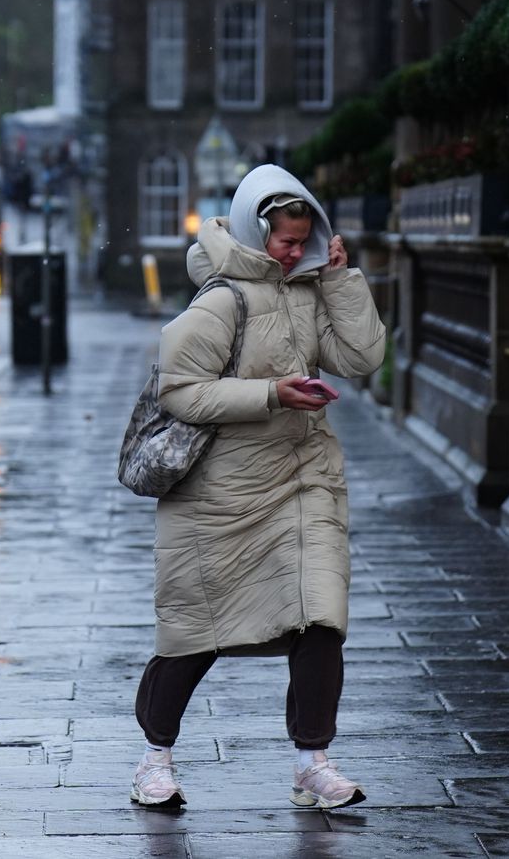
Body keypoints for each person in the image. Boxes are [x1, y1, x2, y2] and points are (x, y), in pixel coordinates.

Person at [130, 165, 386, 811]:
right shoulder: (221, 300)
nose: (292, 250)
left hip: (305, 484)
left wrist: (338, 278)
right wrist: (273, 394)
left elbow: (362, 358)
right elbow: (179, 390)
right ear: (253, 229)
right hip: (221, 496)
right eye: (283, 240)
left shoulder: (308, 289)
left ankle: (313, 762)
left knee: (321, 617)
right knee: (195, 632)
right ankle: (154, 760)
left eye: (303, 239)